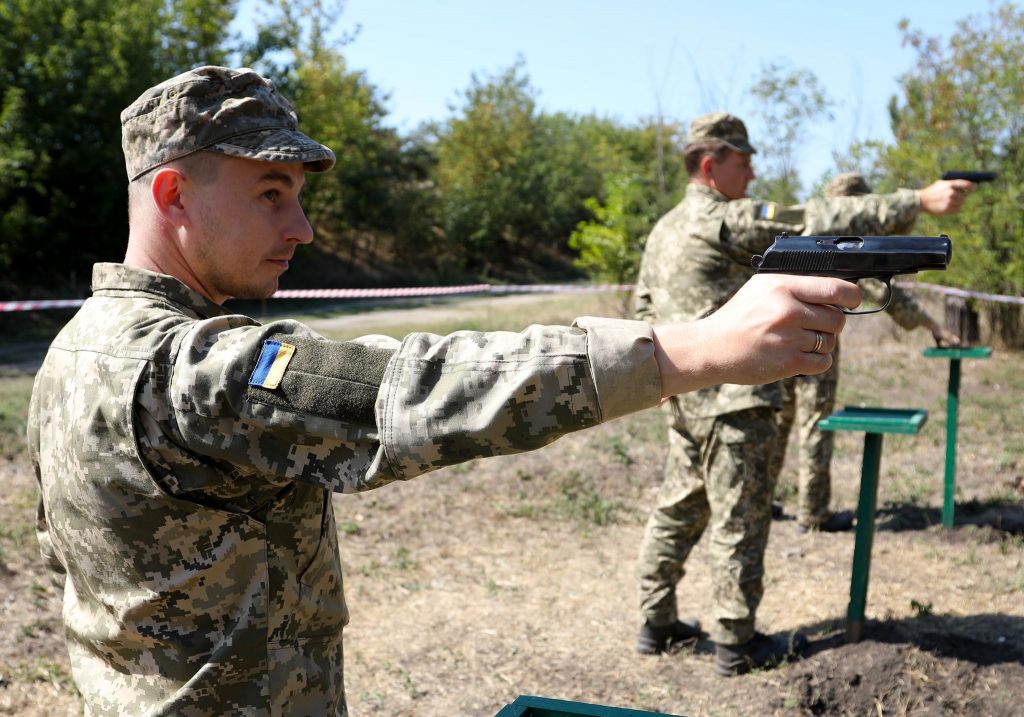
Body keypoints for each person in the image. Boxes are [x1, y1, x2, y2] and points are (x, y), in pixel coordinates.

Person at [27, 68, 864, 716]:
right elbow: (414, 388)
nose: (303, 229)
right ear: (173, 193)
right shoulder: (191, 369)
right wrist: (698, 345)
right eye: (270, 195)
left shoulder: (71, 352)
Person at [631, 112, 974, 674]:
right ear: (711, 163)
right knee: (741, 516)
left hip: (682, 391)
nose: (753, 171)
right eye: (744, 162)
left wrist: (657, 379)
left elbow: (644, 308)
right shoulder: (727, 218)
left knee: (678, 507)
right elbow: (818, 217)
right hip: (735, 398)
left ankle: (656, 623)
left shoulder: (665, 228)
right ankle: (736, 642)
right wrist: (917, 199)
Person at [771, 172, 962, 534]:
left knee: (779, 418)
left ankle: (764, 498)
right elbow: (882, 291)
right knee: (814, 421)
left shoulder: (802, 235)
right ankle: (812, 512)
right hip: (814, 338)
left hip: (777, 335)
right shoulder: (841, 246)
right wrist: (931, 325)